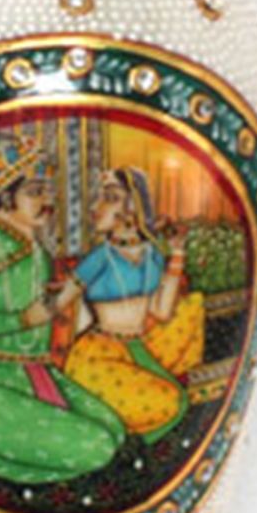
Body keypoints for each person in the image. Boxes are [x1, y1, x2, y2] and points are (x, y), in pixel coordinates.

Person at [0, 135, 126, 484]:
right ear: (5, 197)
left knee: (115, 430)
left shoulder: (40, 255)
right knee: (99, 447)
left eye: (47, 192)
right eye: (35, 192)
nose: (47, 201)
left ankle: (6, 444)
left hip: (36, 374)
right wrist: (22, 319)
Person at [50, 167, 205, 442]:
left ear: (133, 208)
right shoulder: (100, 257)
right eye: (100, 197)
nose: (96, 207)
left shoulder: (152, 254)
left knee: (193, 309)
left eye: (110, 198)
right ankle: (127, 444)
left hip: (140, 344)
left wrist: (177, 252)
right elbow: (59, 302)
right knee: (170, 401)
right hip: (99, 353)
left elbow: (161, 312)